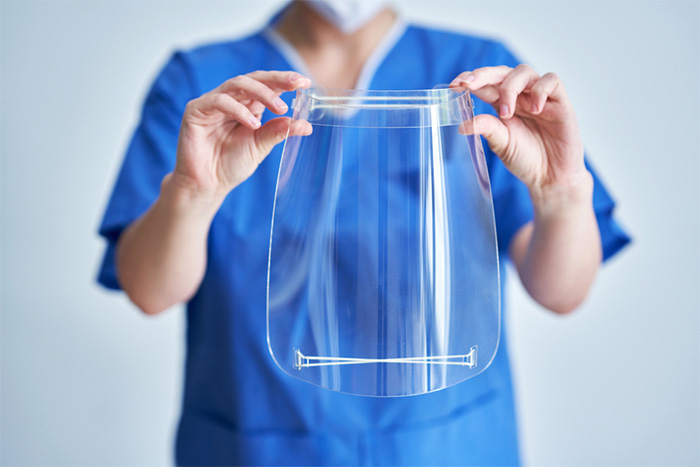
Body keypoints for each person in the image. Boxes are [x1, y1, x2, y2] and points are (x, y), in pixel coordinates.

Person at [97, 1, 631, 465]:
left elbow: (561, 291)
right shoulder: (203, 83)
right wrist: (194, 192)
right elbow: (150, 290)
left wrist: (561, 192)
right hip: (259, 447)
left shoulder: (476, 79)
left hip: (445, 448)